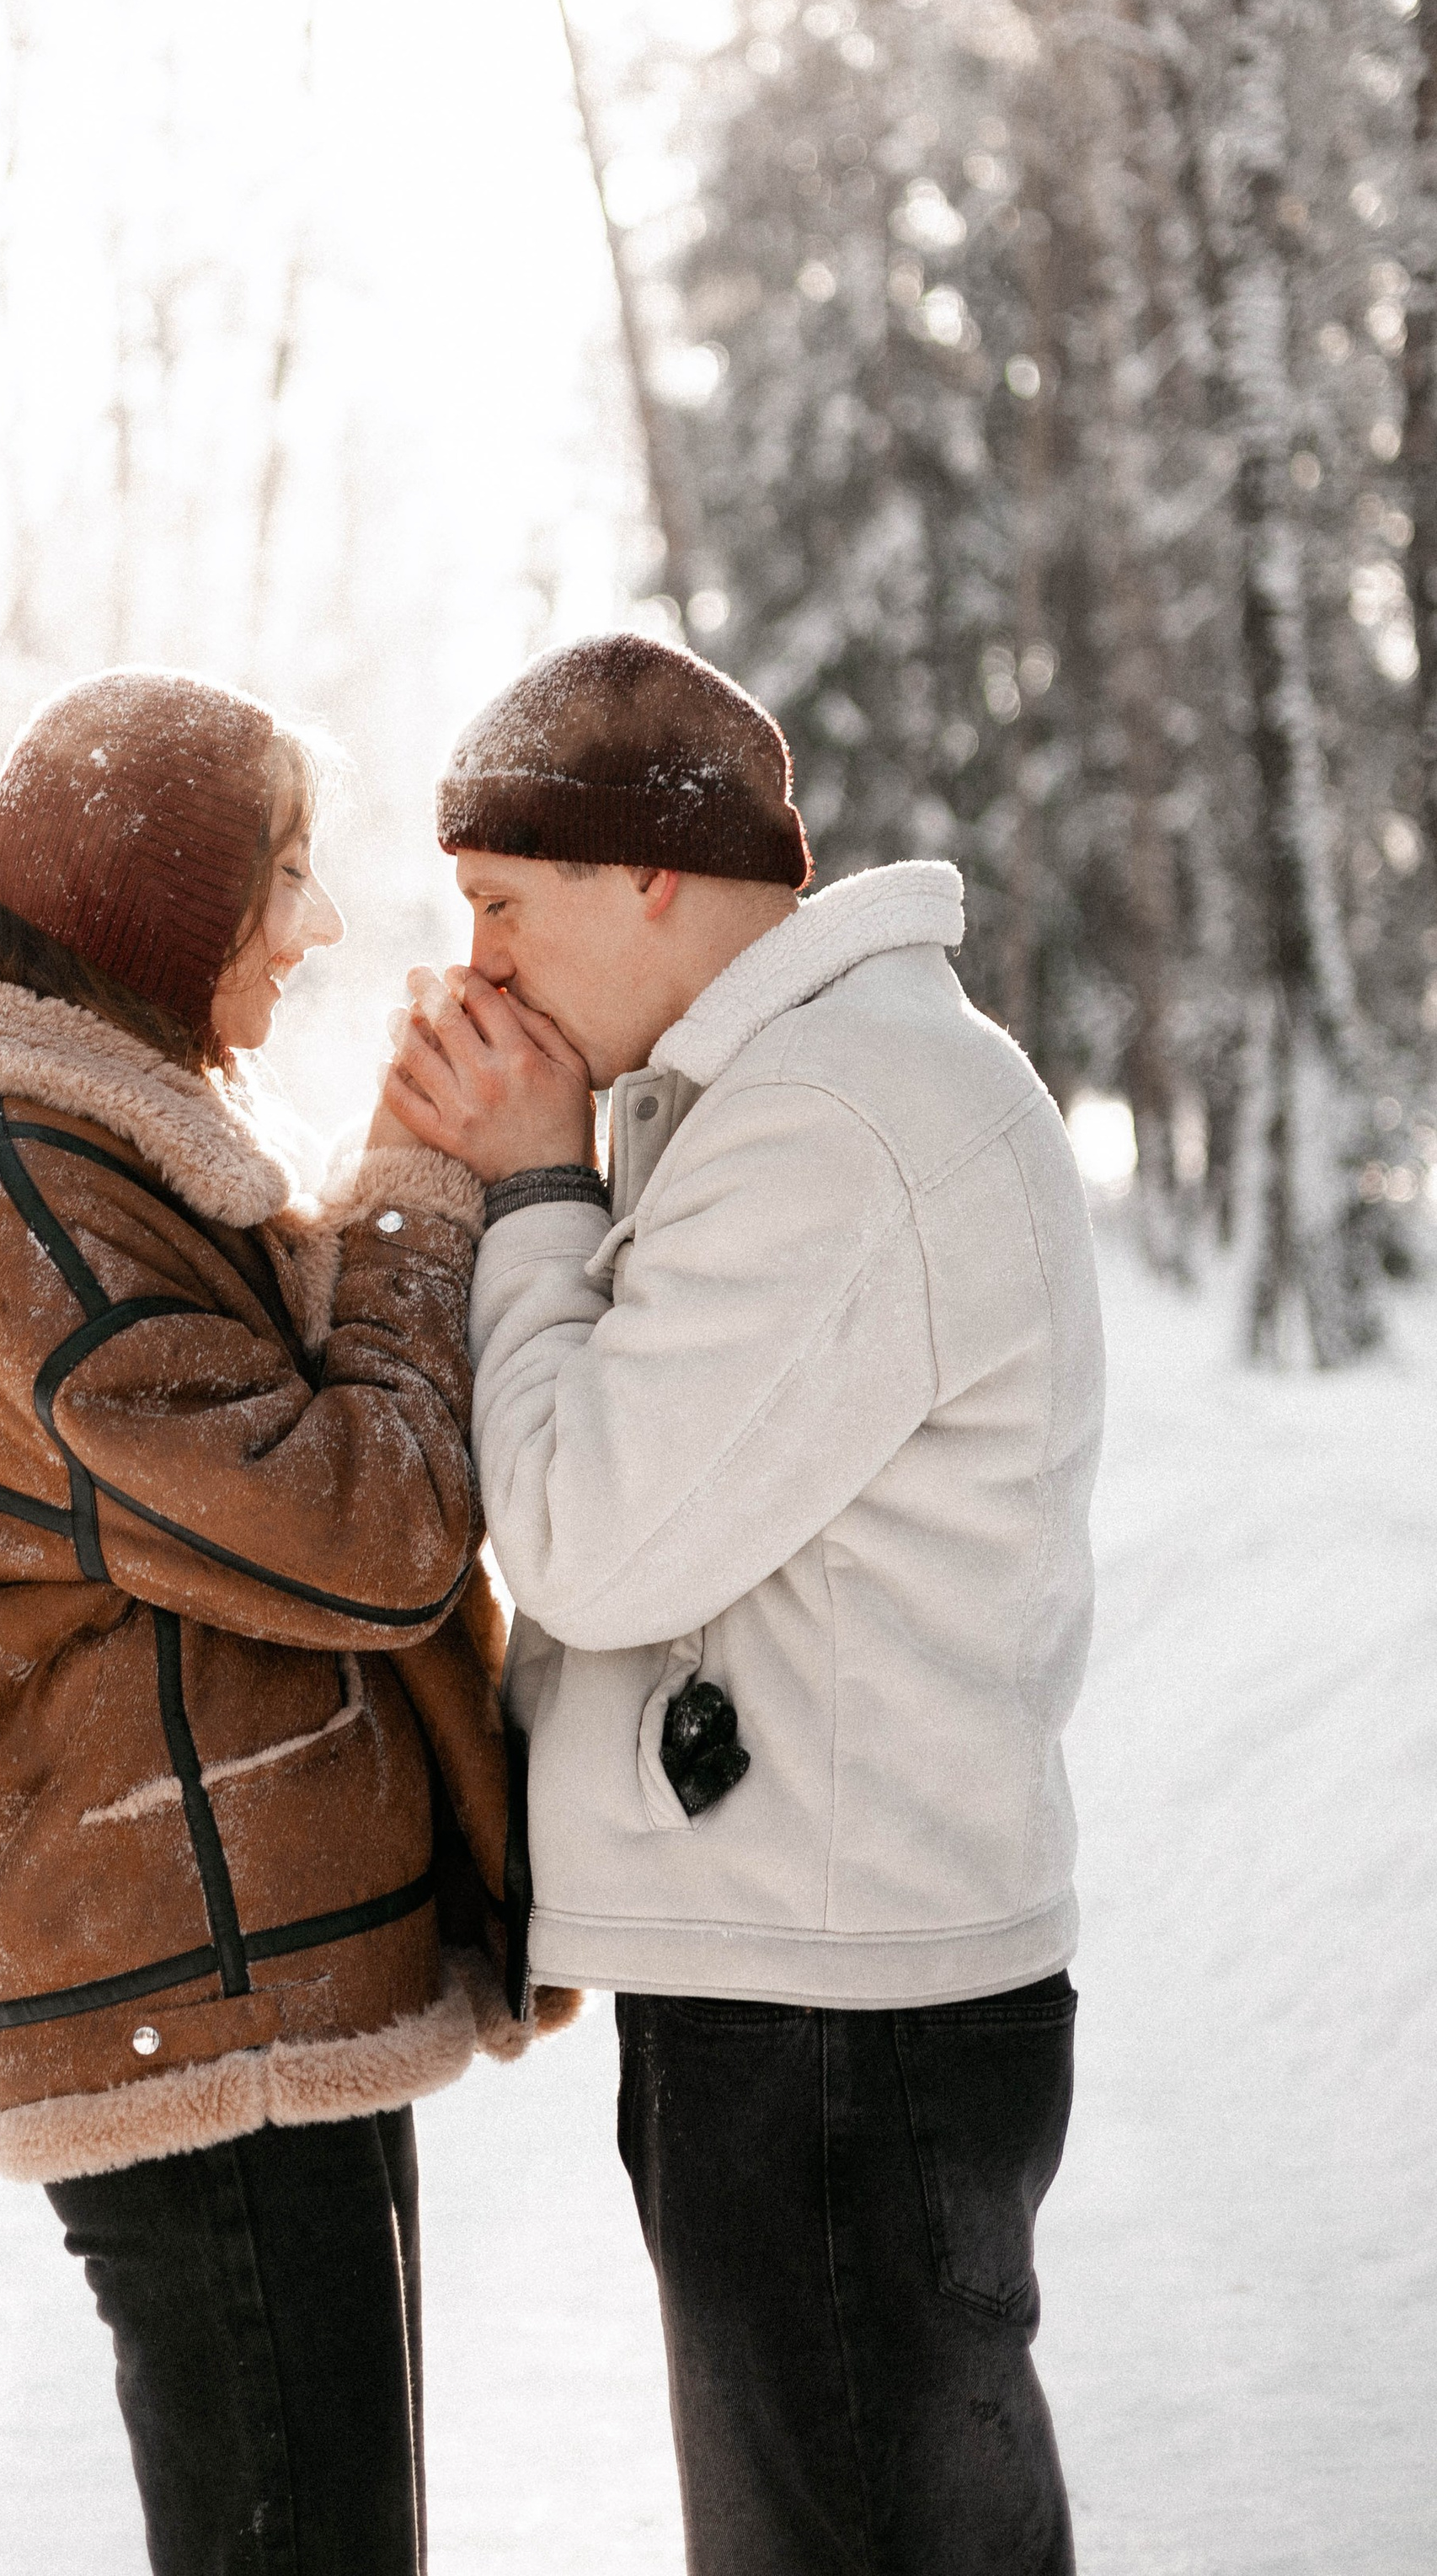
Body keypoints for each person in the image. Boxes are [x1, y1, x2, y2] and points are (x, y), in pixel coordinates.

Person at [380, 628, 1102, 2576]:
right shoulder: (786, 1091)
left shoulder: (833, 1118)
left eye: (500, 905)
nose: (480, 968)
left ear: (648, 873)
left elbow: (596, 1529)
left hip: (831, 2021)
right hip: (815, 1982)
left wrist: (532, 1194)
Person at [0, 665, 558, 2576]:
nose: (313, 928)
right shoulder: (26, 1201)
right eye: (277, 877)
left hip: (240, 1984)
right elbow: (366, 1525)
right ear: (153, 910)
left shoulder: (106, 1157)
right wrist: (427, 1204)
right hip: (200, 2002)